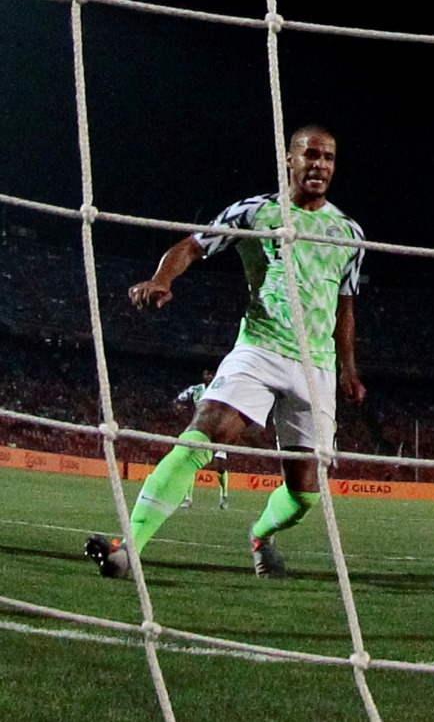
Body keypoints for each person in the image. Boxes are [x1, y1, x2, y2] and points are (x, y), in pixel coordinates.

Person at [85, 125, 366, 579]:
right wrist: (163, 278)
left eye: (329, 157)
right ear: (289, 160)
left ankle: (260, 534)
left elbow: (346, 305)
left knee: (306, 492)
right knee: (204, 432)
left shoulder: (349, 232)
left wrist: (349, 368)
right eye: (310, 155)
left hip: (317, 366)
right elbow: (193, 245)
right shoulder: (255, 212)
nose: (320, 165)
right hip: (259, 347)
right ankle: (129, 547)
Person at [176, 368, 230, 511]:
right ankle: (188, 498)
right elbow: (179, 399)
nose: (210, 377)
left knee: (219, 466)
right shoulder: (195, 389)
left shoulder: (222, 388)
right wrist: (180, 407)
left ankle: (224, 495)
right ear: (204, 375)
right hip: (200, 430)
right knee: (190, 463)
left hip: (219, 432)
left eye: (212, 374)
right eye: (207, 374)